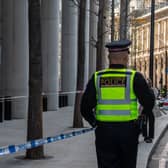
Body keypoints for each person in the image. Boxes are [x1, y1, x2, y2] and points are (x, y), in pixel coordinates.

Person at [80, 39, 155, 168]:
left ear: (109, 57)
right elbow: (149, 103)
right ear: (126, 57)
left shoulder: (97, 77)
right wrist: (141, 118)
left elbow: (84, 108)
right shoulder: (134, 77)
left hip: (104, 131)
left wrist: (94, 123)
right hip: (128, 131)